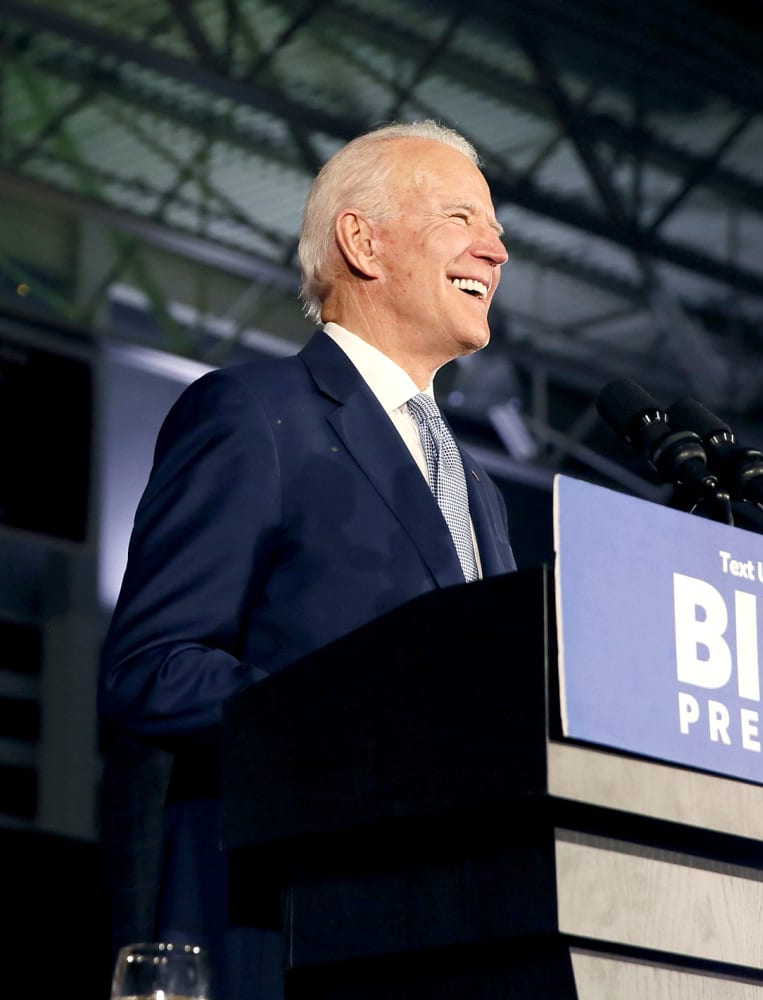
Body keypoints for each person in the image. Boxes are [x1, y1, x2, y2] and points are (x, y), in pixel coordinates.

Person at [97, 119, 516, 1000]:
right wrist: (355, 718)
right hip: (291, 932)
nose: (496, 249)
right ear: (361, 241)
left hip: (460, 934)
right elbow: (152, 670)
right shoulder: (253, 415)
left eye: (498, 228)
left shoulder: (479, 489)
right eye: (460, 218)